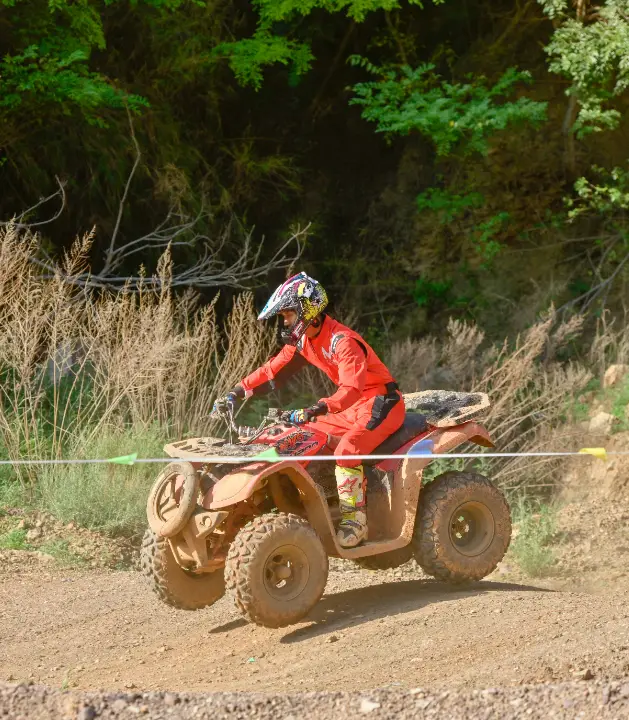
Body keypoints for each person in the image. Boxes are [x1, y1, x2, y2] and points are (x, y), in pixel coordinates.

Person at [213, 272, 405, 548]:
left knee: (347, 450)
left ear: (309, 312)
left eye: (288, 315)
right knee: (298, 438)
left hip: (380, 403)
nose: (285, 321)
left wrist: (317, 408)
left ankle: (355, 521)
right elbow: (272, 370)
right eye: (283, 316)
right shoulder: (304, 341)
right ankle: (307, 504)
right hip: (349, 407)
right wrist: (237, 391)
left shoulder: (343, 342)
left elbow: (351, 388)